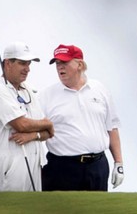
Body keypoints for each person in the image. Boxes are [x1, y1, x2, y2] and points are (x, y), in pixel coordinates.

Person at [39, 44, 124, 191]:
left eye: (64, 62)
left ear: (79, 64)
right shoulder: (46, 95)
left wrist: (119, 163)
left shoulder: (100, 89)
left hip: (97, 166)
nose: (60, 67)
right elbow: (36, 128)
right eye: (57, 63)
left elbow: (112, 127)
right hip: (62, 168)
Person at [0, 41, 54, 191]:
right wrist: (47, 123)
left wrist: (33, 135)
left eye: (29, 64)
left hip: (33, 164)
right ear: (8, 63)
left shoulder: (27, 90)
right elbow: (21, 124)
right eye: (23, 63)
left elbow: (48, 133)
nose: (27, 69)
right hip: (8, 165)